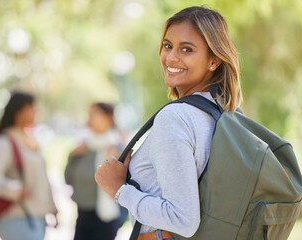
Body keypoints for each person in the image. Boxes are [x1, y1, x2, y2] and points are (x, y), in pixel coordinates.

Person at [95, 6, 242, 240]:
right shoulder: (223, 113)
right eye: (167, 46)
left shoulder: (176, 117)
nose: (171, 57)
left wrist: (119, 190)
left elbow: (183, 219)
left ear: (213, 61)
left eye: (186, 49)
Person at [0, 92, 58, 240]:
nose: (36, 111)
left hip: (37, 217)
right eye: (32, 107)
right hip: (15, 218)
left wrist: (52, 208)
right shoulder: (4, 142)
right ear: (19, 112)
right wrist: (16, 190)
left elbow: (43, 179)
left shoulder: (29, 141)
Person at [65, 103, 128, 240]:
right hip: (83, 215)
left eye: (94, 114)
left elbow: (127, 185)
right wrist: (72, 155)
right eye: (89, 114)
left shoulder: (119, 148)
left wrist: (114, 158)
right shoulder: (82, 147)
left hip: (108, 219)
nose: (89, 119)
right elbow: (68, 179)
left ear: (108, 118)